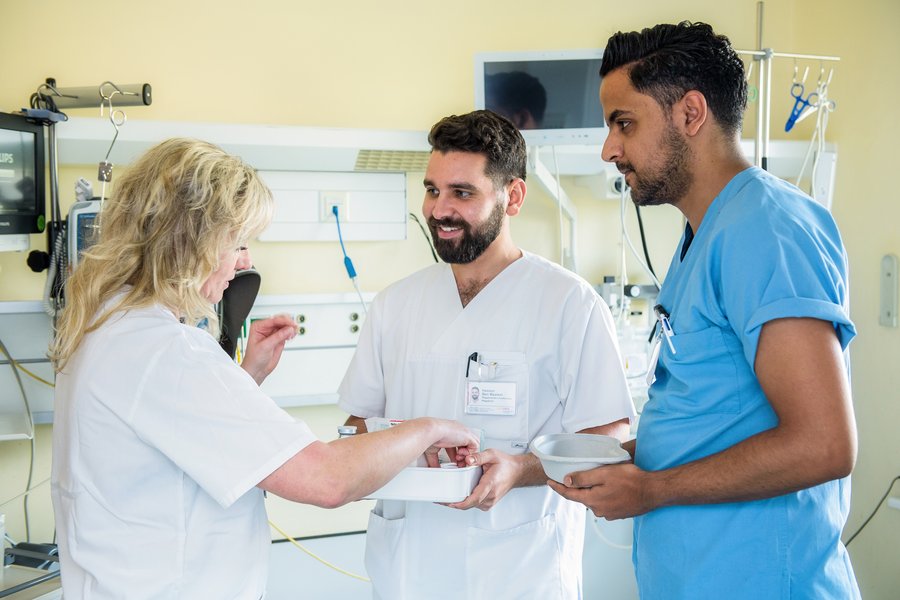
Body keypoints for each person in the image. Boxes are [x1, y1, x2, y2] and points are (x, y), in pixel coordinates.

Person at [48, 138, 479, 600]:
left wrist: (243, 378)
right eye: (237, 242)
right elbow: (328, 479)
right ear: (189, 240)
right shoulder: (166, 351)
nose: (245, 261)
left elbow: (167, 435)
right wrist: (428, 428)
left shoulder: (107, 326)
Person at [548, 21, 860, 599]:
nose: (608, 148)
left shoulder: (765, 230)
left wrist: (652, 489)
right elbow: (720, 415)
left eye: (624, 123)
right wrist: (630, 458)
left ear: (691, 113)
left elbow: (824, 443)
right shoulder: (707, 234)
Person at [338, 109, 635, 599]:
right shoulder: (395, 305)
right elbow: (358, 424)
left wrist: (521, 469)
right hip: (408, 568)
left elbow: (605, 443)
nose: (439, 210)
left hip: (519, 568)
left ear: (512, 196)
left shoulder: (568, 304)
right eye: (433, 190)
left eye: (462, 192)